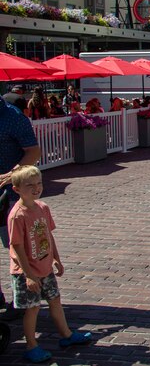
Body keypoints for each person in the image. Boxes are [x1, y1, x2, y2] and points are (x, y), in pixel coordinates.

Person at [8, 166, 92, 363]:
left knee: (55, 301)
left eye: (39, 184)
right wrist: (28, 274)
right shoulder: (17, 215)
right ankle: (31, 345)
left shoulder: (43, 208)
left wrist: (56, 258)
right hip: (27, 271)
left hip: (45, 267)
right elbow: (17, 247)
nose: (36, 188)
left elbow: (48, 235)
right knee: (33, 308)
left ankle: (67, 335)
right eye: (29, 185)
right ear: (17, 189)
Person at [0, 96, 41, 321]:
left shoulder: (12, 116)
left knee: (16, 248)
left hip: (8, 194)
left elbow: (33, 152)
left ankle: (24, 299)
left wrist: (10, 175)